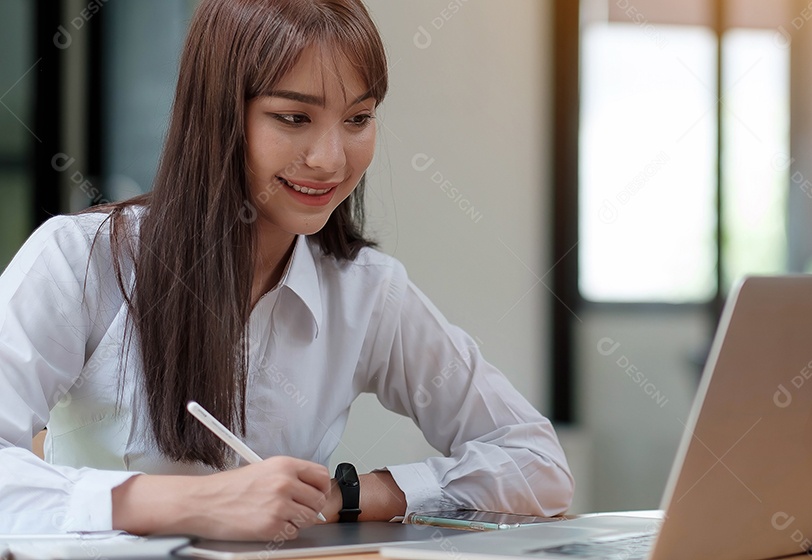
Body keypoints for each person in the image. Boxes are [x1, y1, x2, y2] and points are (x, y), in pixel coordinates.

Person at [0, 0, 573, 540]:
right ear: (217, 115)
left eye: (358, 118)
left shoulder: (366, 291)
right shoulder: (80, 260)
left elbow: (536, 462)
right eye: (293, 116)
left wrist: (349, 494)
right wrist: (196, 503)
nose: (330, 158)